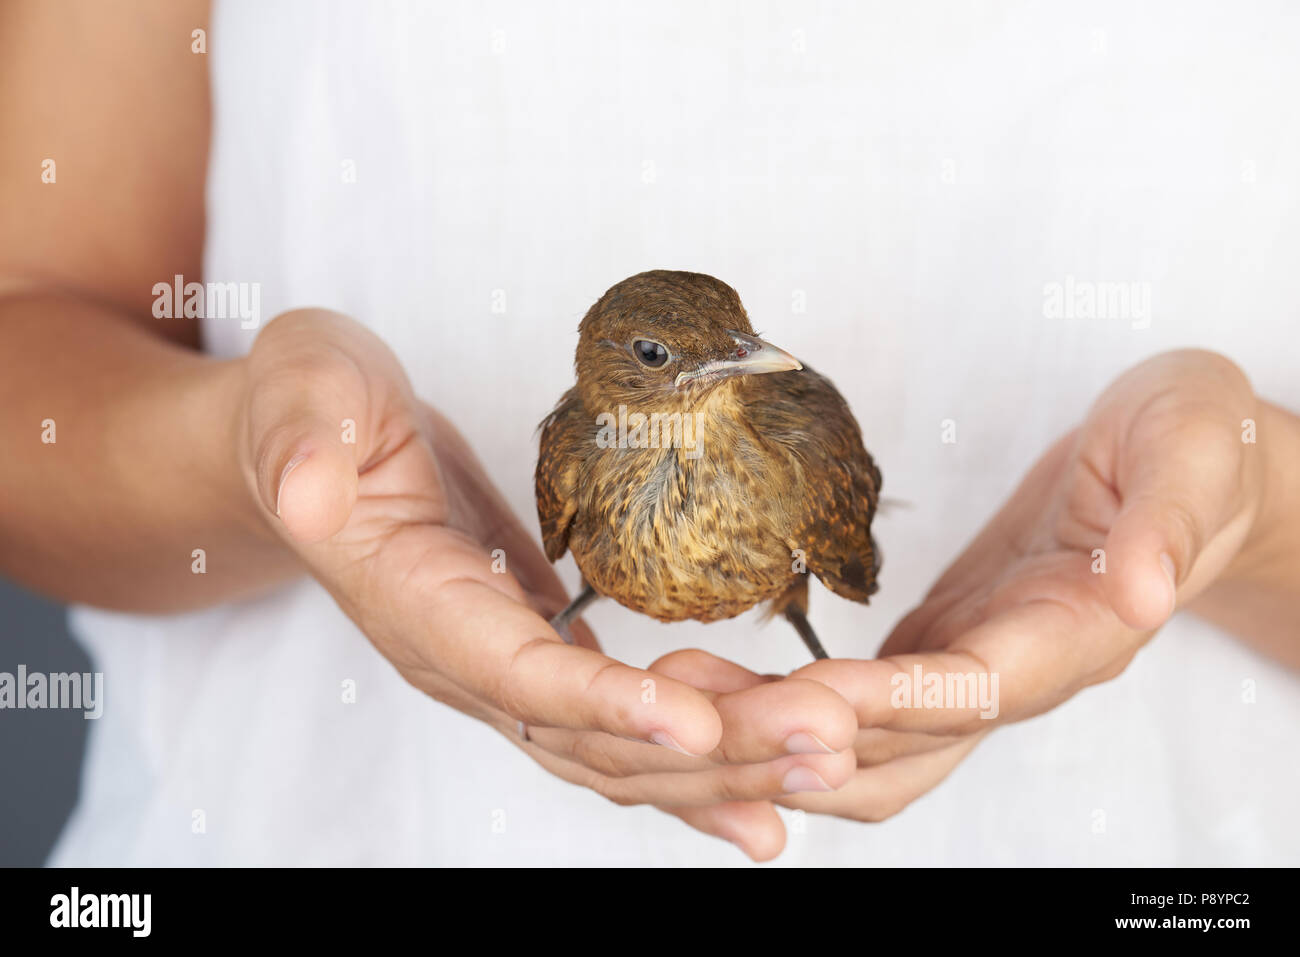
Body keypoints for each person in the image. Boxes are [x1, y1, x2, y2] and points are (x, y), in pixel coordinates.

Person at [2, 0, 1297, 865]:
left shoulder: (792, 445)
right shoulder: (578, 456)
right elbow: (32, 342)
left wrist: (1245, 511)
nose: (738, 370)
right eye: (678, 358)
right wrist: (261, 460)